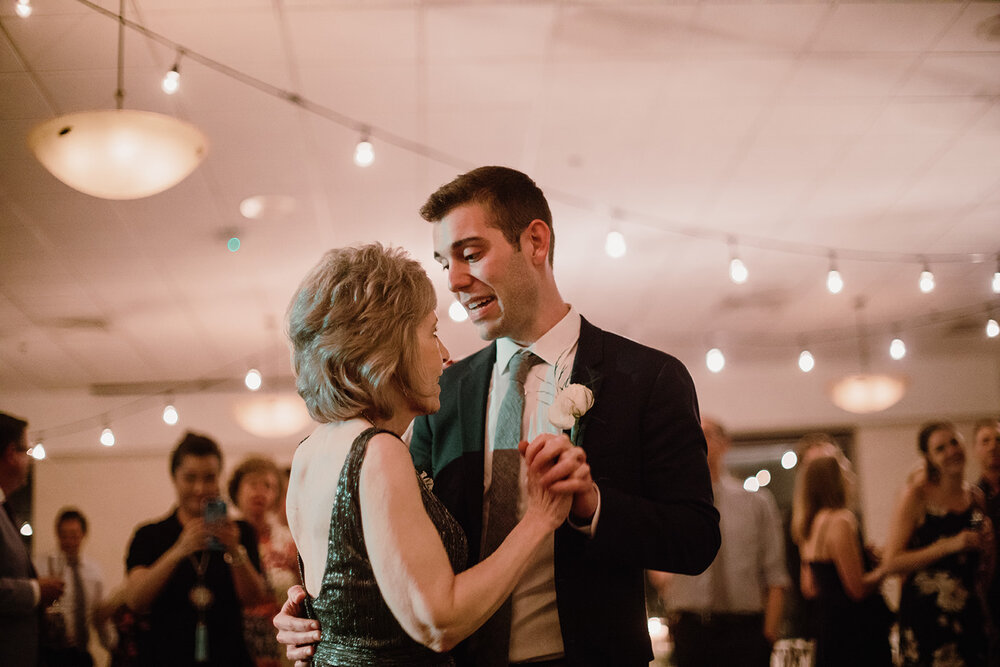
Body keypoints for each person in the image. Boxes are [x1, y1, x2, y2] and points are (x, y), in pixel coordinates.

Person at [276, 166, 720, 666]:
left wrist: (589, 505)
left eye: (470, 254)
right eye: (445, 263)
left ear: (535, 242)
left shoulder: (647, 378)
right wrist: (320, 610)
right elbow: (399, 534)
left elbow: (695, 539)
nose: (456, 281)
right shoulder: (440, 392)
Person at [284, 243, 574, 665]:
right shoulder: (378, 451)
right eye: (431, 331)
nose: (443, 354)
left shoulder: (309, 451)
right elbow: (439, 622)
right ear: (391, 345)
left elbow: (343, 598)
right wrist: (539, 519)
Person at [123, 431, 268, 666]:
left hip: (229, 656)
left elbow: (253, 599)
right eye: (190, 478)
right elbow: (135, 600)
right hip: (165, 656)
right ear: (174, 477)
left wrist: (234, 549)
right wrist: (178, 550)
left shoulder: (240, 531)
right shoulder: (149, 534)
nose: (200, 488)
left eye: (209, 478)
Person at [654, 418, 788, 667]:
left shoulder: (756, 502)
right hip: (691, 630)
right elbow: (655, 551)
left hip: (745, 631)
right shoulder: (674, 501)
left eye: (707, 434)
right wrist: (665, 582)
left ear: (725, 443)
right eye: (692, 433)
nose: (699, 440)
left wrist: (768, 637)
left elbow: (775, 574)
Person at [883, 421, 992, 666]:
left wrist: (988, 543)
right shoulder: (916, 495)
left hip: (970, 616)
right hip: (927, 619)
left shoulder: (976, 497)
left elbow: (983, 566)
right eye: (940, 448)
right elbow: (891, 562)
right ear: (929, 458)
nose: (951, 451)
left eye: (954, 442)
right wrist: (950, 545)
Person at [792, 455, 891, 666]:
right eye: (846, 472)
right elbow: (857, 589)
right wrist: (887, 567)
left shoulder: (809, 524)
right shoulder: (841, 520)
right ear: (834, 480)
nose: (852, 478)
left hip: (829, 629)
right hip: (854, 632)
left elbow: (809, 588)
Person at [0, 412, 65, 667]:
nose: (30, 460)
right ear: (10, 454)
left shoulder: (5, 507)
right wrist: (37, 591)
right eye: (26, 451)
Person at [229, 456, 298, 667]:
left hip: (282, 643)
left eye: (268, 486)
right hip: (235, 644)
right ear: (236, 491)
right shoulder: (226, 538)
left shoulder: (289, 540)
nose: (260, 492)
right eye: (252, 484)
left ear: (277, 494)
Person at [35, 507, 114, 667]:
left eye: (74, 535)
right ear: (57, 535)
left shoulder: (94, 571)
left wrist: (112, 646)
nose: (69, 541)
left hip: (82, 654)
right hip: (50, 654)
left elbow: (100, 614)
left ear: (83, 535)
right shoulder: (42, 567)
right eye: (64, 536)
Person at [973, 417, 1000, 661]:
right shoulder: (971, 499)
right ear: (976, 449)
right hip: (990, 600)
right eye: (986, 441)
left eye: (998, 440)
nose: (993, 446)